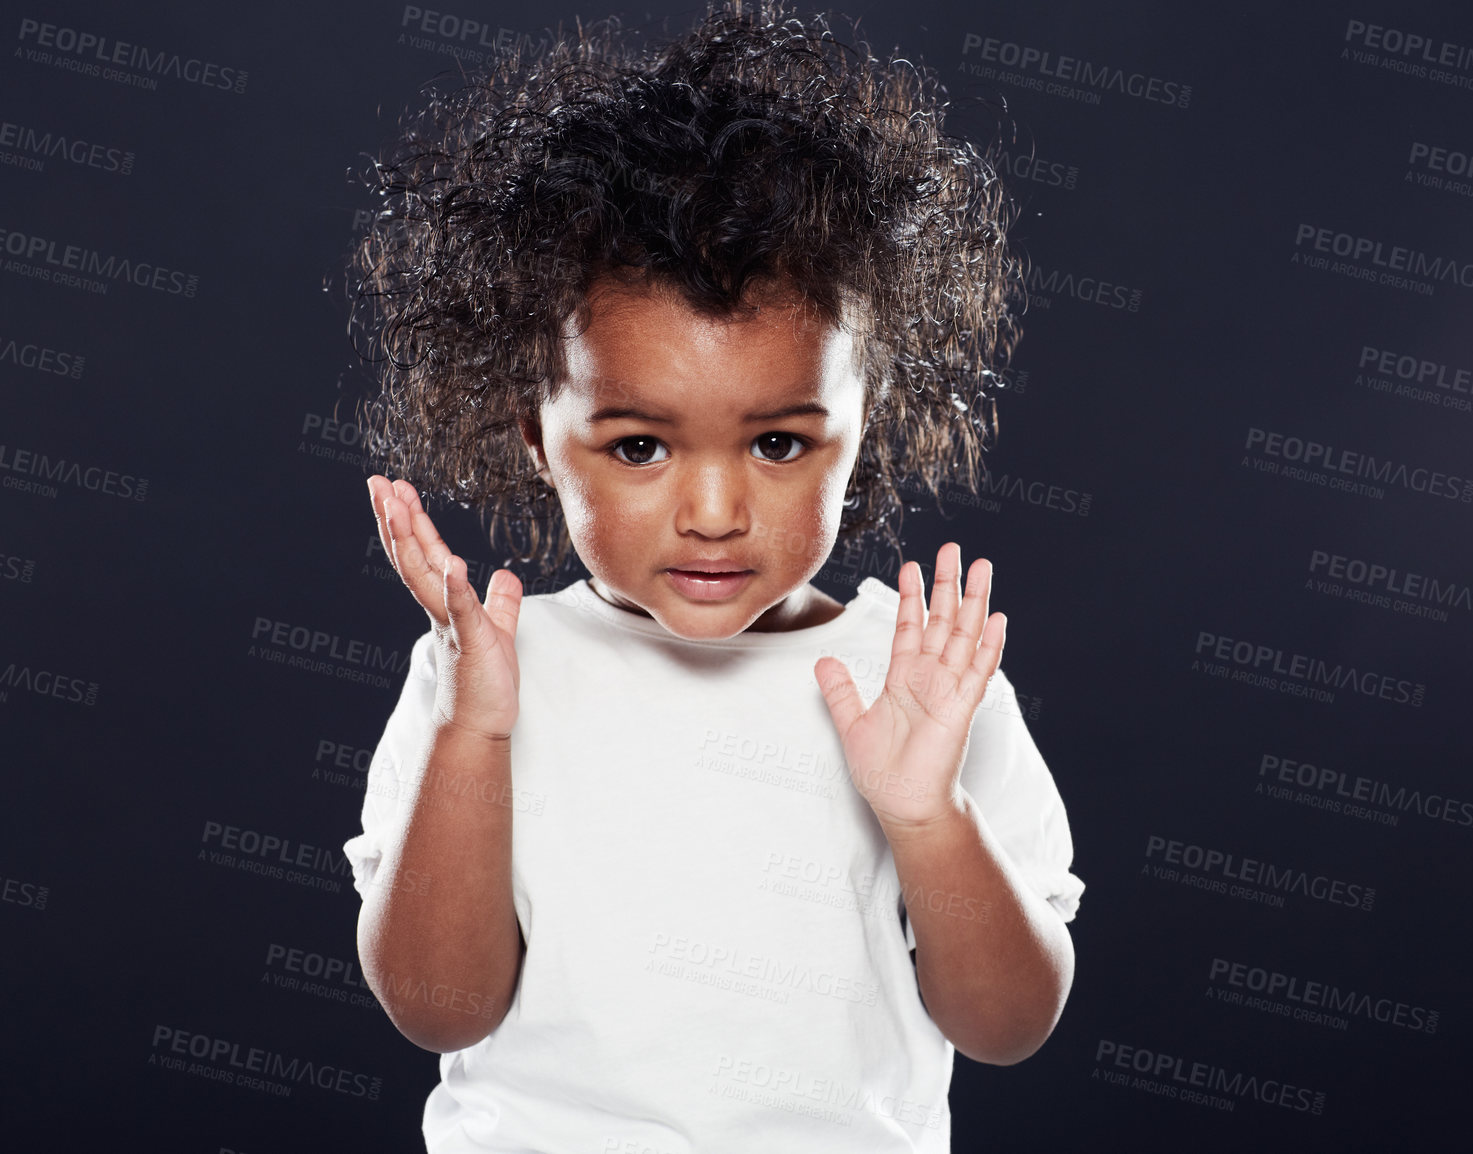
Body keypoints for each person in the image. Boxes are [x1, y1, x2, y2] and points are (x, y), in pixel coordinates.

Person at [340, 3, 1084, 1150]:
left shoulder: (922, 680)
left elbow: (1005, 1027)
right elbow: (439, 1006)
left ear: (861, 425)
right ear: (535, 435)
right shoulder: (484, 676)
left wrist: (927, 814)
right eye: (638, 445)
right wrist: (474, 733)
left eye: (779, 443)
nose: (714, 511)